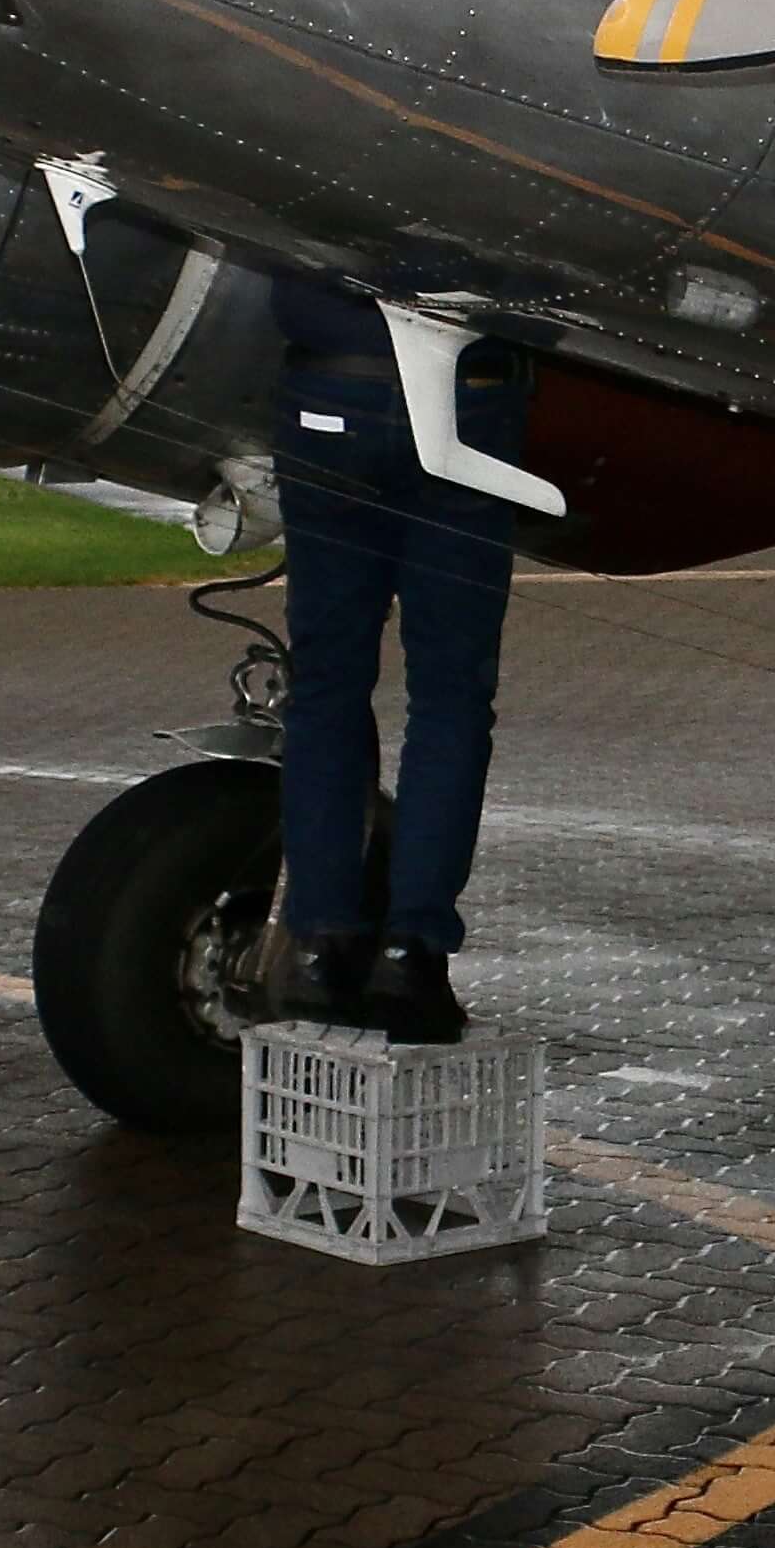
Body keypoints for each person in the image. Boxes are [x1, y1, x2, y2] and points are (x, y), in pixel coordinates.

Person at [261, 281, 530, 1043]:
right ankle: (411, 952)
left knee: (327, 687)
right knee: (448, 696)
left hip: (326, 391)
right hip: (464, 397)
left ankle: (319, 942)